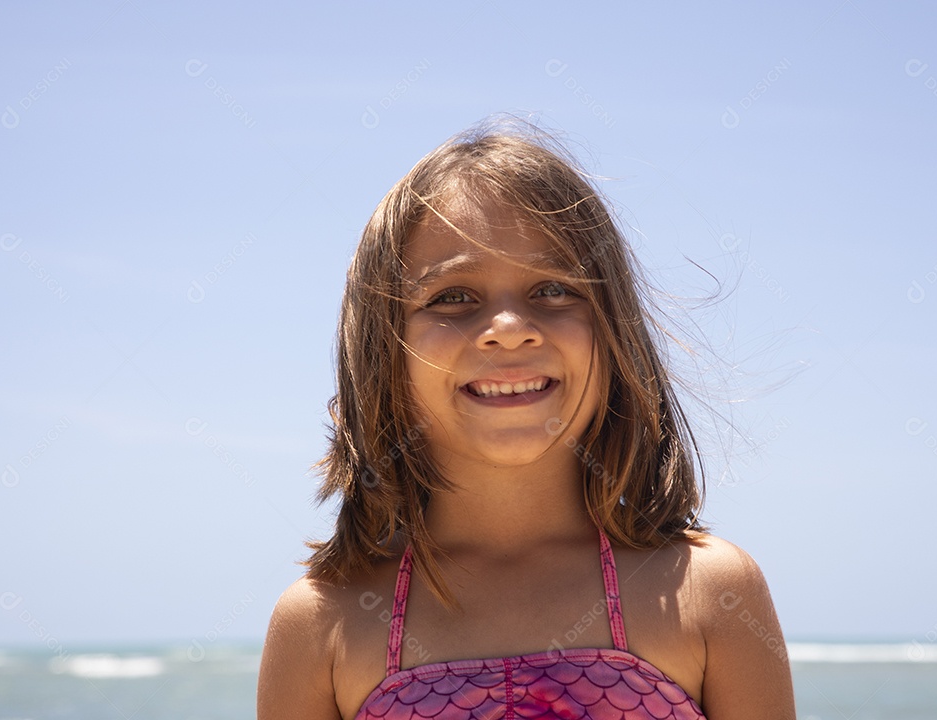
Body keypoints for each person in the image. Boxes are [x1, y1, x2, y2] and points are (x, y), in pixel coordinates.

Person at [257, 122, 795, 719]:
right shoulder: (324, 622)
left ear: (613, 332)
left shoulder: (710, 592)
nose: (510, 328)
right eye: (453, 297)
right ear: (382, 354)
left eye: (553, 289)